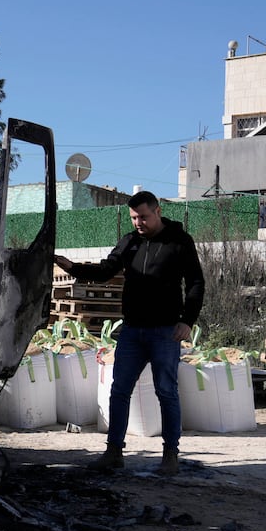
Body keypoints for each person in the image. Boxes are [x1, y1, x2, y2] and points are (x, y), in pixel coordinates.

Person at [54, 191, 204, 476]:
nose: (139, 223)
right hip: (133, 331)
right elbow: (106, 270)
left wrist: (188, 321)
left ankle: (170, 455)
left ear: (158, 212)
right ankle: (113, 452)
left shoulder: (179, 242)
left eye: (143, 217)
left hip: (165, 331)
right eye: (134, 217)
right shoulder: (130, 241)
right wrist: (73, 268)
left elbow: (196, 282)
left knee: (166, 392)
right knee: (119, 391)